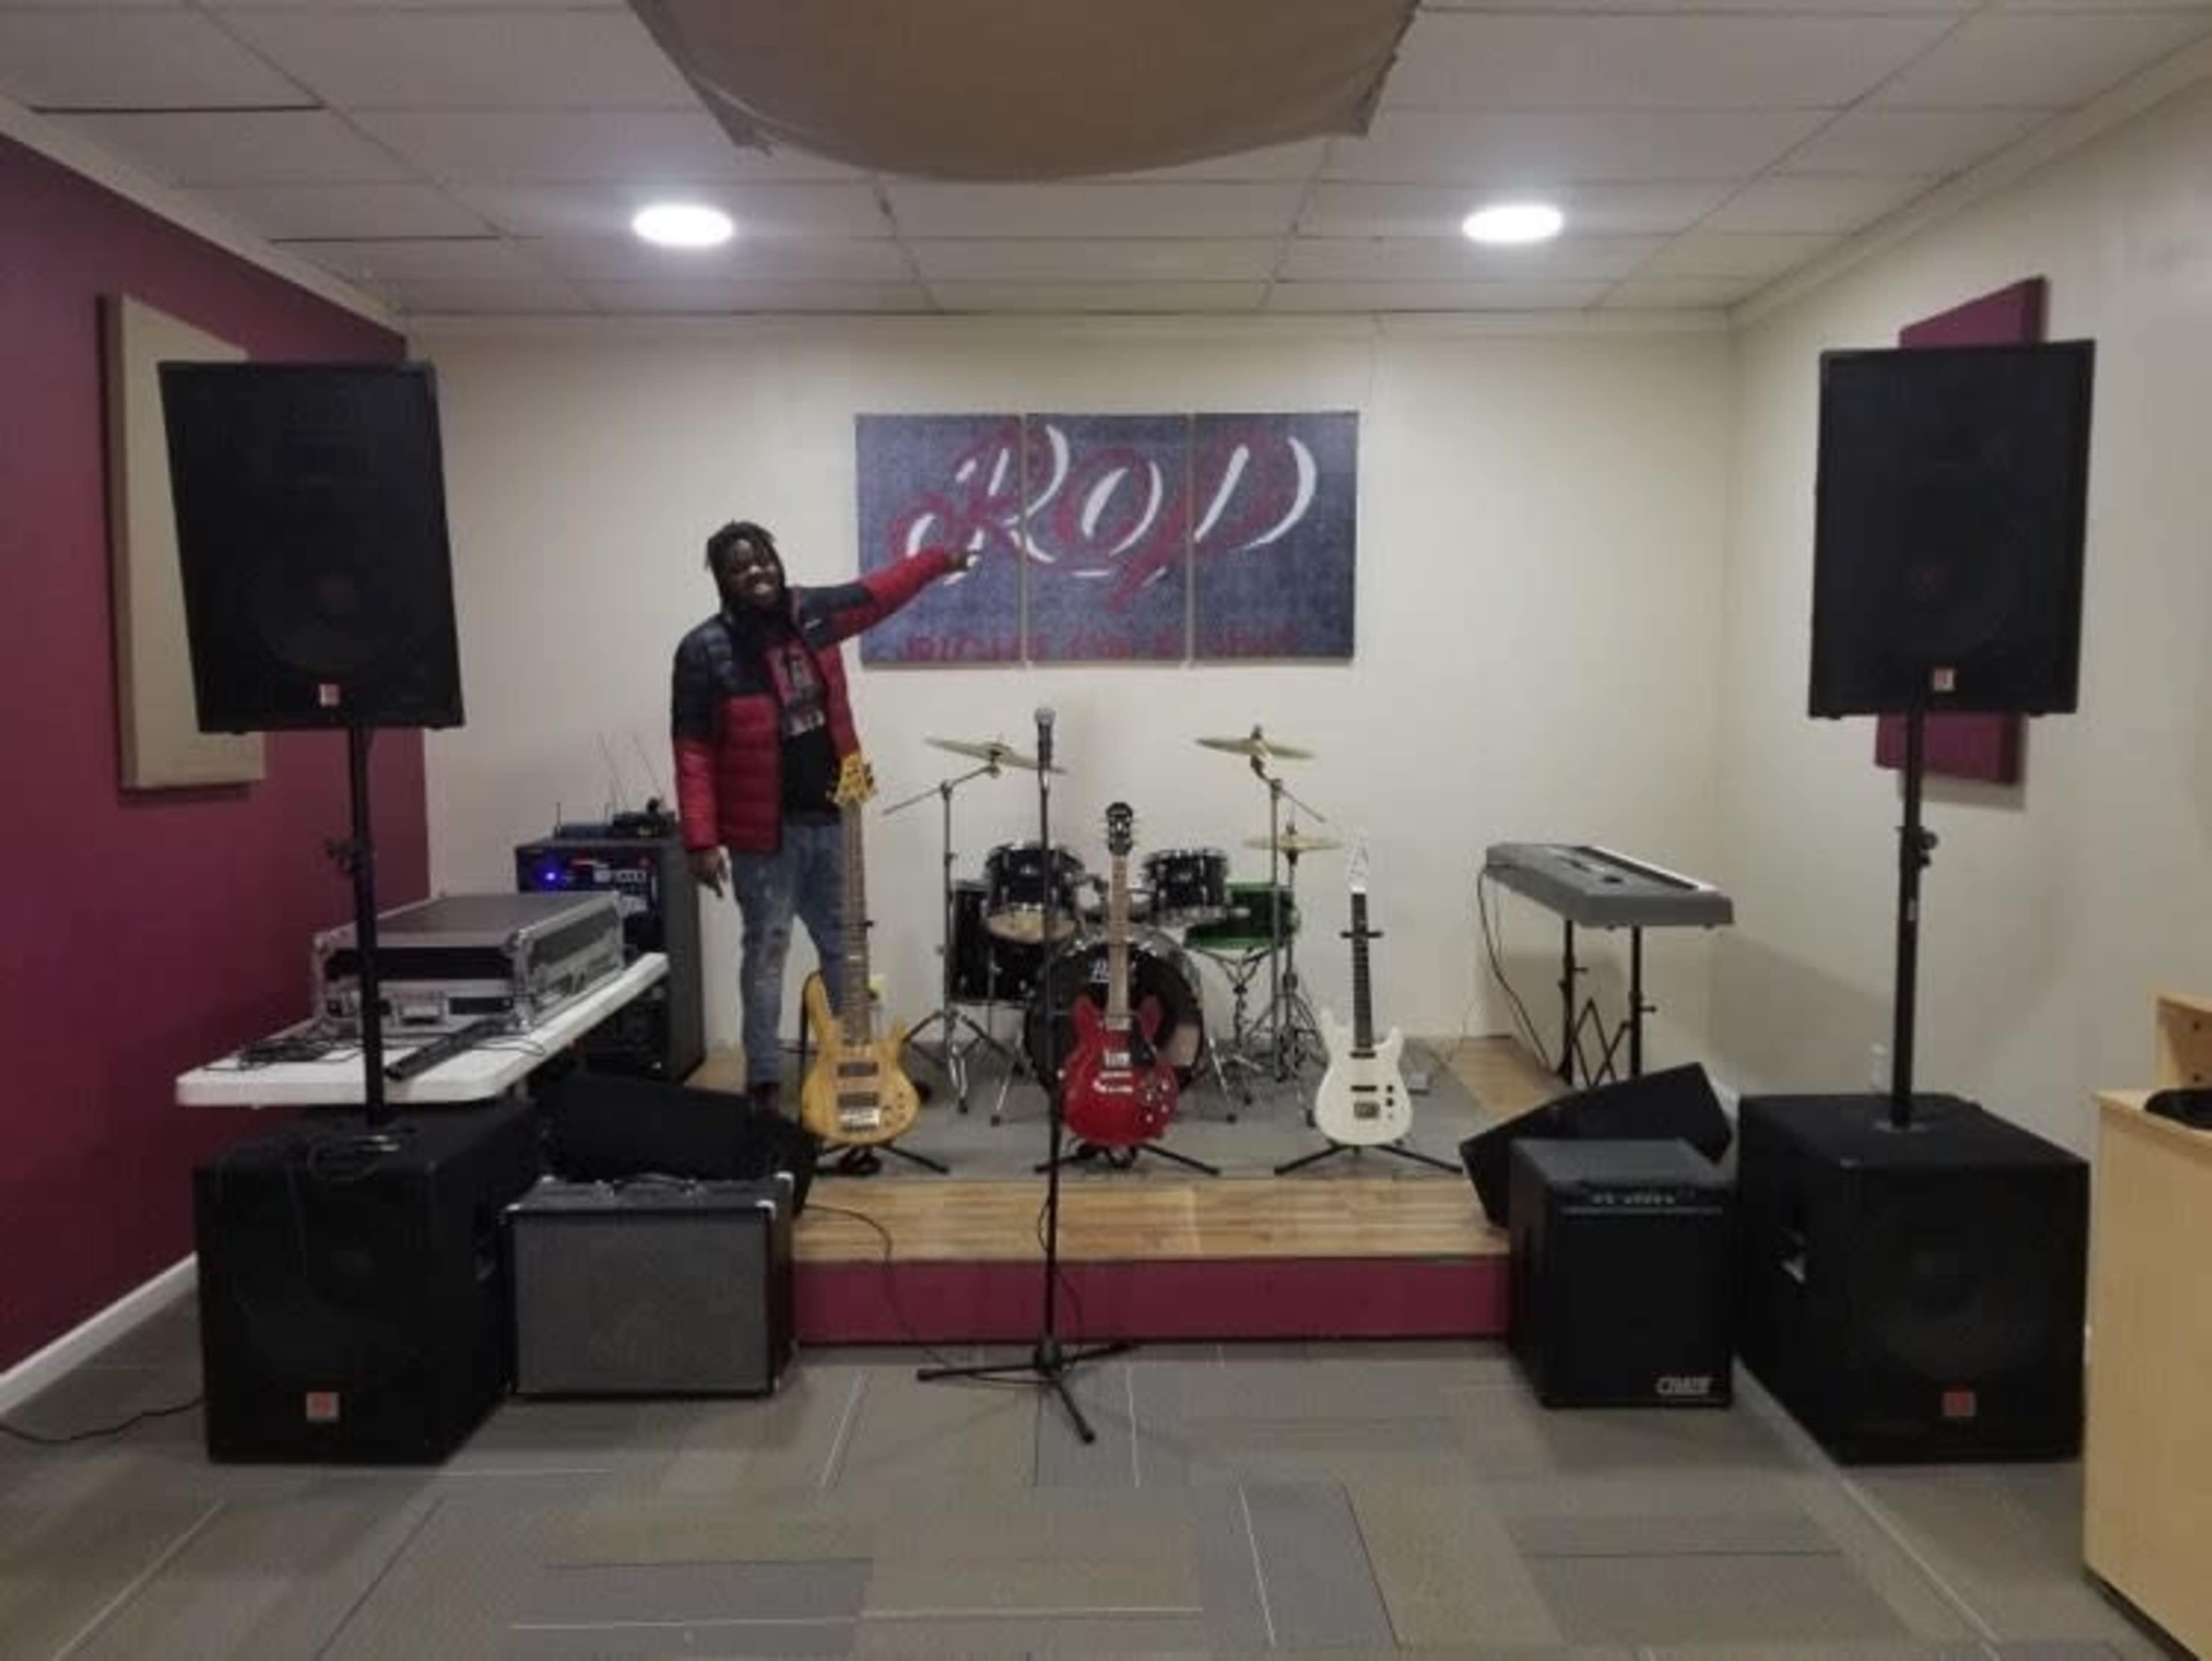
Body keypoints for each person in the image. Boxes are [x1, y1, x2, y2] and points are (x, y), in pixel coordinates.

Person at [672, 521, 969, 1111]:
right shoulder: (704, 650)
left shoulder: (813, 614)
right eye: (739, 566)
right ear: (722, 579)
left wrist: (939, 559)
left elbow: (879, 591)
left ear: (775, 560)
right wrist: (700, 839)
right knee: (767, 951)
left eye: (761, 559)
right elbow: (693, 751)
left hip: (834, 819)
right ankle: (762, 1080)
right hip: (764, 837)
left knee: (844, 946)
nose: (755, 572)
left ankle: (862, 1062)